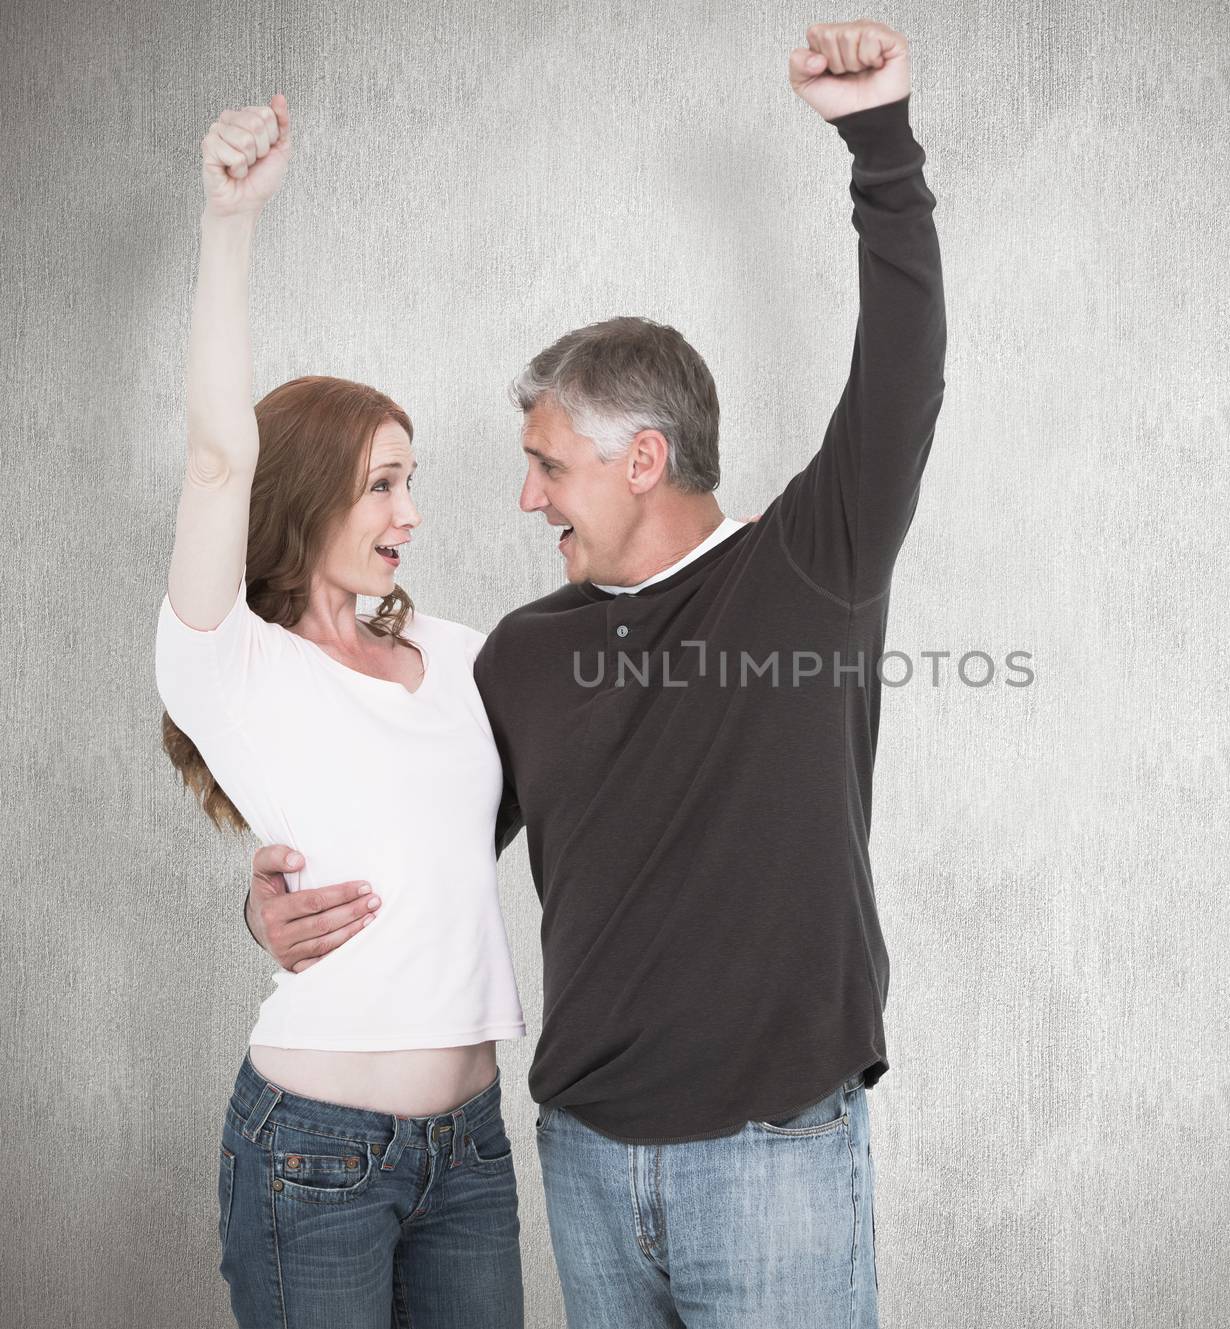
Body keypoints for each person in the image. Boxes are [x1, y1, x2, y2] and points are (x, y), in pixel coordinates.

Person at [244, 18, 945, 1326]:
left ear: (643, 459)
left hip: (773, 1166)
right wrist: (272, 912)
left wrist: (879, 136)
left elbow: (903, 371)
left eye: (549, 463)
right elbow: (422, 837)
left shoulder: (811, 569)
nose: (523, 495)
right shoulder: (524, 652)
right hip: (580, 1162)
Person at [155, 94, 527, 1327]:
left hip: (473, 1152)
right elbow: (217, 454)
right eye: (381, 484)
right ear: (307, 493)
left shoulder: (465, 656)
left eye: (411, 481)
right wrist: (228, 223)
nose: (410, 513)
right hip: (314, 1155)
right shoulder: (233, 667)